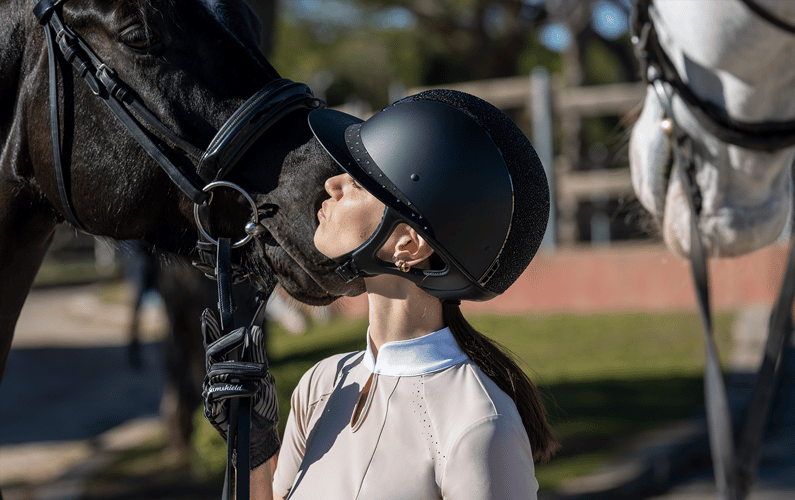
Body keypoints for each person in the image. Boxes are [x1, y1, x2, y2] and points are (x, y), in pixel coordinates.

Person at [201, 89, 559, 500]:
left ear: (408, 244)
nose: (331, 184)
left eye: (356, 182)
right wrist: (253, 450)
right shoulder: (320, 385)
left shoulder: (480, 426)